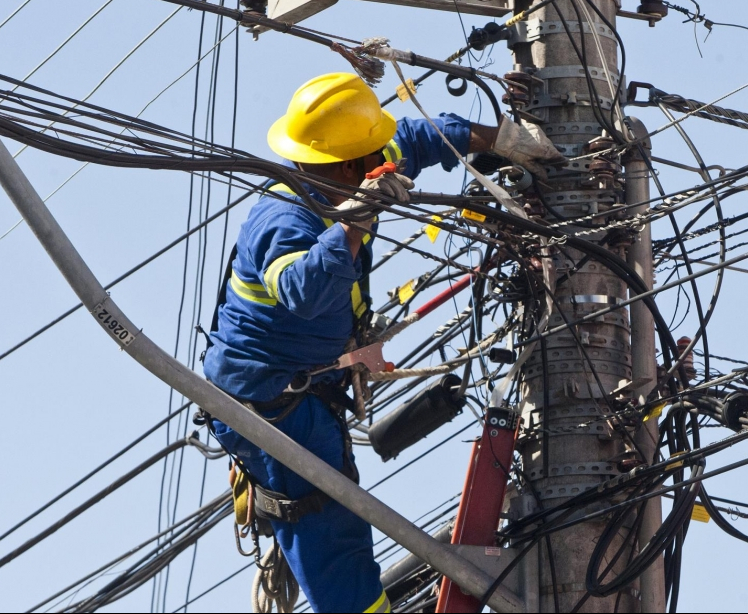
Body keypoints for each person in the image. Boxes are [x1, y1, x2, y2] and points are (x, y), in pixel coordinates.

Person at [203, 72, 563, 613]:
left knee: (337, 518)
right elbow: (303, 291)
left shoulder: (356, 163)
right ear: (348, 165)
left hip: (304, 387)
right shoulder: (283, 221)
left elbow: (421, 137)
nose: (383, 162)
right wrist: (354, 221)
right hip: (268, 405)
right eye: (372, 160)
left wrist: (502, 139)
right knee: (328, 529)